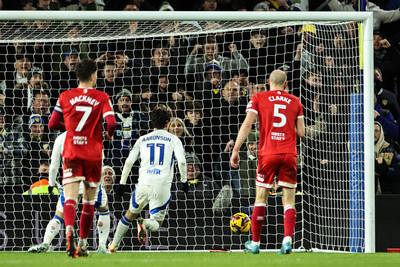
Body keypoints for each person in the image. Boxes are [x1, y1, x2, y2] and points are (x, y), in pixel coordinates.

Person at [230, 69, 305, 255]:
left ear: (268, 82)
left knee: (261, 196)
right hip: (288, 153)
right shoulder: (296, 101)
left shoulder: (258, 98)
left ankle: (255, 243)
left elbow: (247, 124)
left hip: (268, 153)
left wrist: (236, 149)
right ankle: (287, 241)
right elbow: (302, 132)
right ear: (286, 84)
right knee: (289, 200)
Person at [48, 58, 117, 258]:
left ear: (78, 75)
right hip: (93, 153)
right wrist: (108, 135)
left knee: (70, 197)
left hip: (72, 151)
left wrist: (69, 129)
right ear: (94, 75)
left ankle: (68, 230)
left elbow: (52, 124)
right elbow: (111, 123)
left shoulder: (65, 96)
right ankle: (83, 244)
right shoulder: (102, 96)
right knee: (89, 201)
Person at [108, 106, 187, 252]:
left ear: (152, 123)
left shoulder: (142, 139)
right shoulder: (174, 139)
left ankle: (113, 245)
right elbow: (182, 161)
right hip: (162, 185)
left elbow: (129, 162)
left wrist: (122, 183)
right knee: (157, 223)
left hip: (143, 183)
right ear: (168, 123)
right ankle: (144, 222)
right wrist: (184, 181)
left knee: (129, 215)